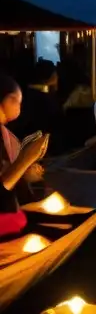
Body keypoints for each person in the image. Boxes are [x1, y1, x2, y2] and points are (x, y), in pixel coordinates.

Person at [0, 75, 49, 237]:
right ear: (8, 99)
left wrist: (24, 173)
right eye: (17, 102)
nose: (19, 108)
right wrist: (26, 158)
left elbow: (8, 176)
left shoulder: (7, 136)